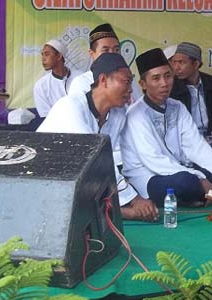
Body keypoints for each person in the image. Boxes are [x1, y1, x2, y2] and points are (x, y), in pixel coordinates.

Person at [39, 53, 157, 222]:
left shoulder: (118, 114)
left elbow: (104, 162)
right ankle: (121, 212)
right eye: (126, 81)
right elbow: (98, 160)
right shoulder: (70, 106)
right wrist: (135, 199)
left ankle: (114, 210)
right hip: (44, 177)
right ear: (103, 80)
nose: (131, 89)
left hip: (77, 176)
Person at [122, 48, 212, 207]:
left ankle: (202, 195)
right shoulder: (136, 114)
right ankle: (203, 193)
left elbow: (195, 145)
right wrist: (199, 178)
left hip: (181, 167)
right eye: (156, 78)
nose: (164, 83)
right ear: (143, 84)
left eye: (168, 76)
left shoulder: (177, 107)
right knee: (186, 182)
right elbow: (154, 160)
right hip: (149, 177)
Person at [68, 23, 122, 96]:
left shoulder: (127, 80)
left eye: (116, 50)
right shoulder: (81, 83)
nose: (112, 55)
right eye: (105, 50)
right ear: (92, 54)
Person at [33, 39, 75, 117]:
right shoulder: (41, 86)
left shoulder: (80, 77)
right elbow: (45, 117)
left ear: (59, 56)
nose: (43, 59)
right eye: (42, 55)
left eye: (47, 54)